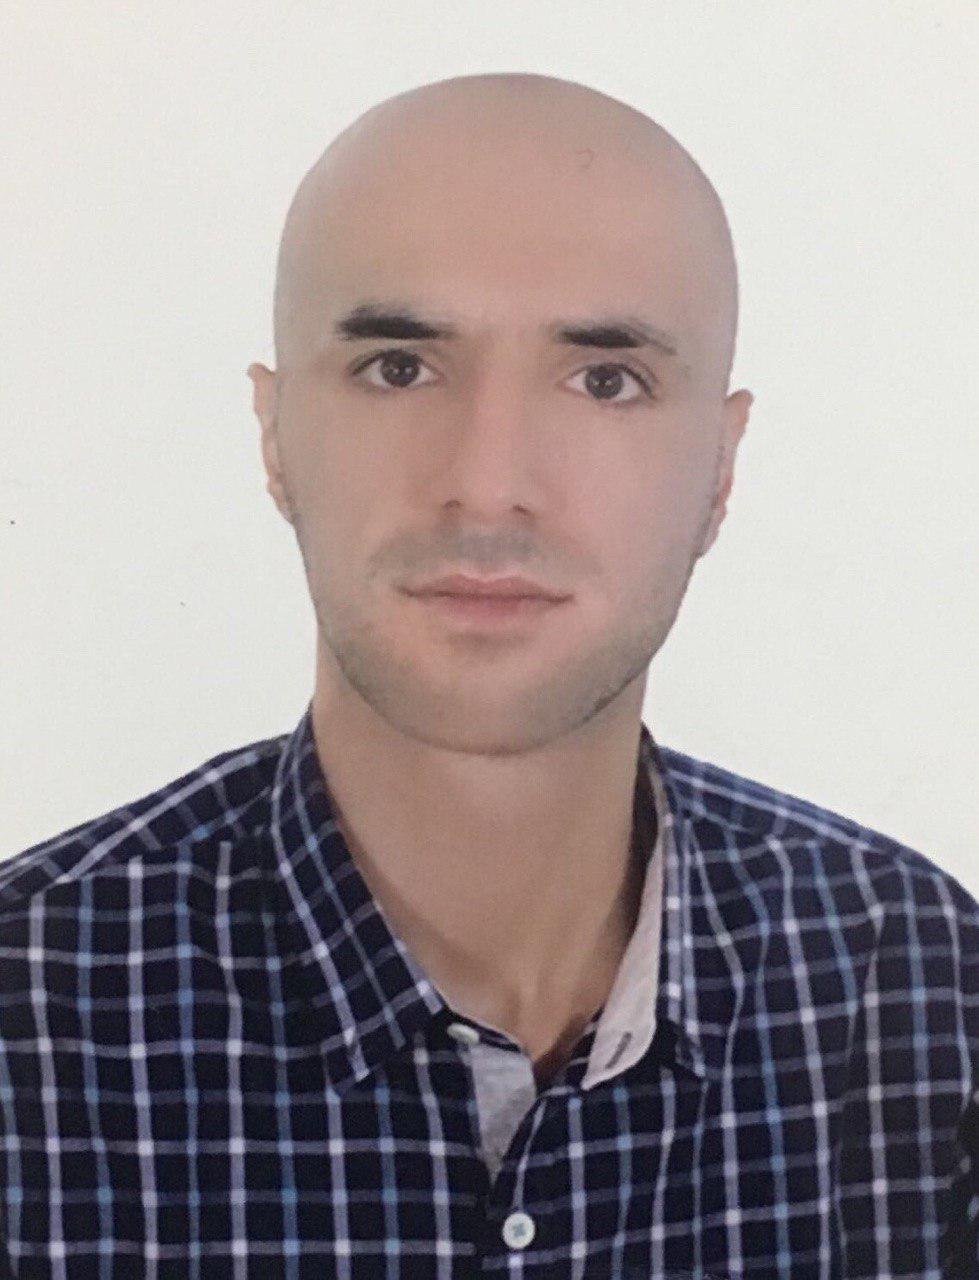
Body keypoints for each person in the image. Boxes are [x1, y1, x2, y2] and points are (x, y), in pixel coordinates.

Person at [1, 71, 975, 1280]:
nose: (487, 483)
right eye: (399, 367)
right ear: (274, 433)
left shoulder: (924, 989)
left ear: (720, 469)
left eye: (604, 379)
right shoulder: (25, 1017)